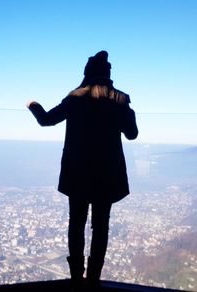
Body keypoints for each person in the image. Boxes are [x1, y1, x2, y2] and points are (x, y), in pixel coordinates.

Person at [27, 51, 138, 289]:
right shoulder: (120, 100)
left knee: (76, 224)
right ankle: (94, 278)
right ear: (109, 75)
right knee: (101, 225)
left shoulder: (75, 98)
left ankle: (76, 277)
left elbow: (46, 120)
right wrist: (128, 113)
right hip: (107, 173)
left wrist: (33, 105)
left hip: (77, 172)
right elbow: (132, 134)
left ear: (86, 74)